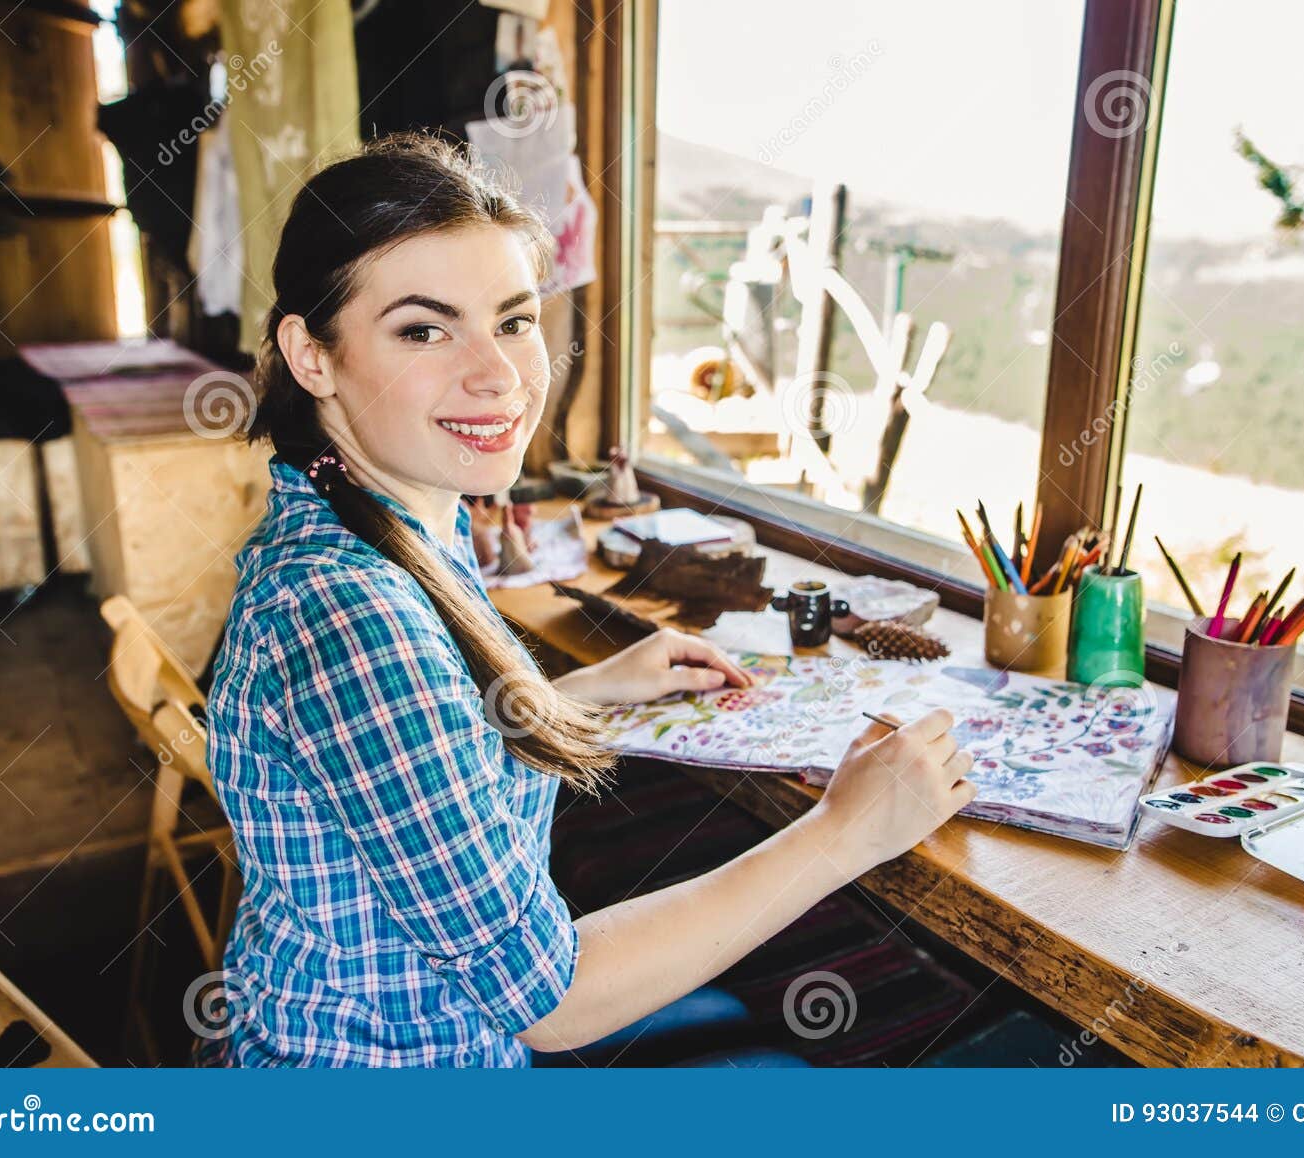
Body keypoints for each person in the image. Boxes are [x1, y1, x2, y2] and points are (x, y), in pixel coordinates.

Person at [203, 133, 975, 1067]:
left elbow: (419, 752)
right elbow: (553, 1000)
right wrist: (846, 831)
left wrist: (582, 692)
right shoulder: (350, 613)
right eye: (424, 330)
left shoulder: (386, 510)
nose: (497, 374)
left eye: (514, 320)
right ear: (311, 355)